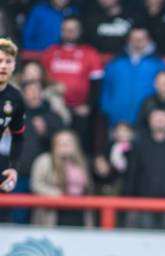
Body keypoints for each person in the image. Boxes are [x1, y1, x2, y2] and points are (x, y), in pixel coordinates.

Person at [41, 16, 104, 157]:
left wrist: (88, 105)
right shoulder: (50, 53)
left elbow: (97, 83)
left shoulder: (90, 53)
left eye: (73, 29)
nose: (69, 32)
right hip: (55, 109)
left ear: (79, 31)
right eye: (66, 29)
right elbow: (42, 81)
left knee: (80, 148)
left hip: (80, 110)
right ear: (61, 31)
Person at [101, 26, 165, 127]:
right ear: (128, 40)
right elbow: (106, 87)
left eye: (141, 38)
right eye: (134, 39)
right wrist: (107, 109)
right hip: (118, 119)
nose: (138, 42)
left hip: (147, 121)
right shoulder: (115, 63)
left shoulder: (159, 64)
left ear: (148, 40)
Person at [30, 128, 93, 227]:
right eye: (61, 143)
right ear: (54, 145)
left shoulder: (81, 162)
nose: (65, 146)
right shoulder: (45, 160)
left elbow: (88, 188)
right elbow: (35, 184)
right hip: (55, 211)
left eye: (68, 142)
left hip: (78, 211)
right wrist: (54, 193)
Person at [0, 39, 26, 195]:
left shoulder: (15, 98)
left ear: (14, 66)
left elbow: (18, 135)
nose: (3, 66)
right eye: (0, 61)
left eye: (8, 61)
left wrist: (13, 167)